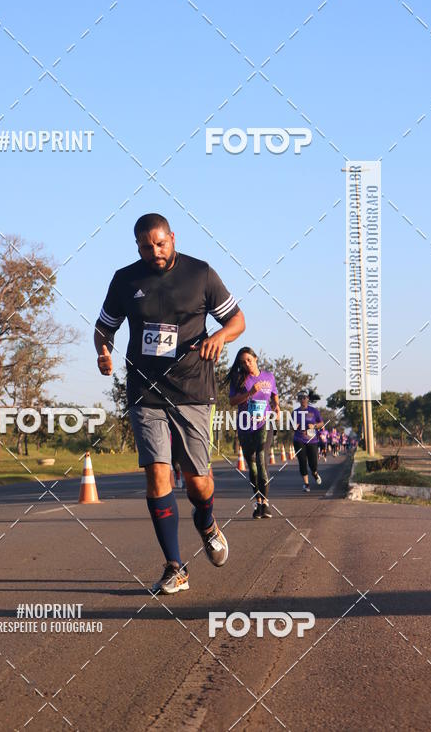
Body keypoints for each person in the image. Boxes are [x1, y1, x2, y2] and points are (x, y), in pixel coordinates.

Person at [95, 213, 245, 594]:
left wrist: (221, 337)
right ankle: (175, 566)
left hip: (193, 388)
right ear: (137, 247)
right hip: (145, 392)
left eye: (160, 244)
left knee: (198, 483)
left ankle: (206, 522)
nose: (155, 252)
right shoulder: (125, 280)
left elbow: (237, 321)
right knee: (157, 474)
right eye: (147, 247)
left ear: (172, 238)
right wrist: (103, 351)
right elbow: (104, 326)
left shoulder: (200, 274)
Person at [226, 348, 279, 518]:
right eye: (243, 362)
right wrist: (249, 393)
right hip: (245, 426)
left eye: (249, 360)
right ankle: (258, 503)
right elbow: (232, 401)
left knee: (262, 460)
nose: (247, 364)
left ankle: (265, 504)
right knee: (253, 466)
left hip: (264, 423)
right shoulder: (238, 378)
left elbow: (274, 395)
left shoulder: (269, 376)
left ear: (256, 358)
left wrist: (277, 407)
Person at [291, 389, 323, 492]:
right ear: (298, 399)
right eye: (300, 398)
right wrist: (294, 426)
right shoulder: (295, 412)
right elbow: (292, 426)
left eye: (304, 397)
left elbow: (321, 423)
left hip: (312, 441)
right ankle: (306, 484)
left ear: (308, 398)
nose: (302, 400)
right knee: (302, 461)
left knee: (313, 464)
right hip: (299, 440)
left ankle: (315, 473)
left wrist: (314, 426)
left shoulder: (314, 411)